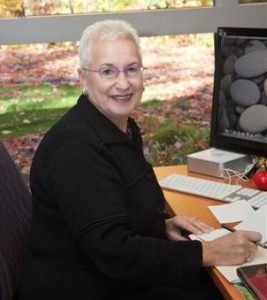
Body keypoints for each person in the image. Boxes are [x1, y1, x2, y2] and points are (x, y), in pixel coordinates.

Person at [19, 19, 262, 300]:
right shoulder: (76, 150)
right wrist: (209, 251)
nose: (123, 83)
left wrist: (160, 226)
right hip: (87, 287)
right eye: (107, 71)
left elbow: (112, 212)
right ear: (83, 78)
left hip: (111, 276)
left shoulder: (116, 127)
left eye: (131, 69)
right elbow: (116, 253)